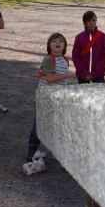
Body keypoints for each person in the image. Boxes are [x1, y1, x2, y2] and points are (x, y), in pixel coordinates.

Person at [27, 33, 77, 162]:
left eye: (61, 41)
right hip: (46, 96)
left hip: (58, 96)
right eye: (54, 41)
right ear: (49, 45)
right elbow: (50, 79)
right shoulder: (48, 59)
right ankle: (32, 150)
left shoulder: (64, 59)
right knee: (40, 122)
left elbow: (61, 82)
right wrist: (67, 75)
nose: (58, 43)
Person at [72, 11, 105, 84]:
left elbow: (104, 56)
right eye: (88, 21)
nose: (91, 23)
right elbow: (75, 56)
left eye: (93, 20)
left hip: (99, 73)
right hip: (82, 74)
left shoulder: (102, 36)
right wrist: (83, 73)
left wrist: (95, 73)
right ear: (84, 22)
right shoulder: (79, 37)